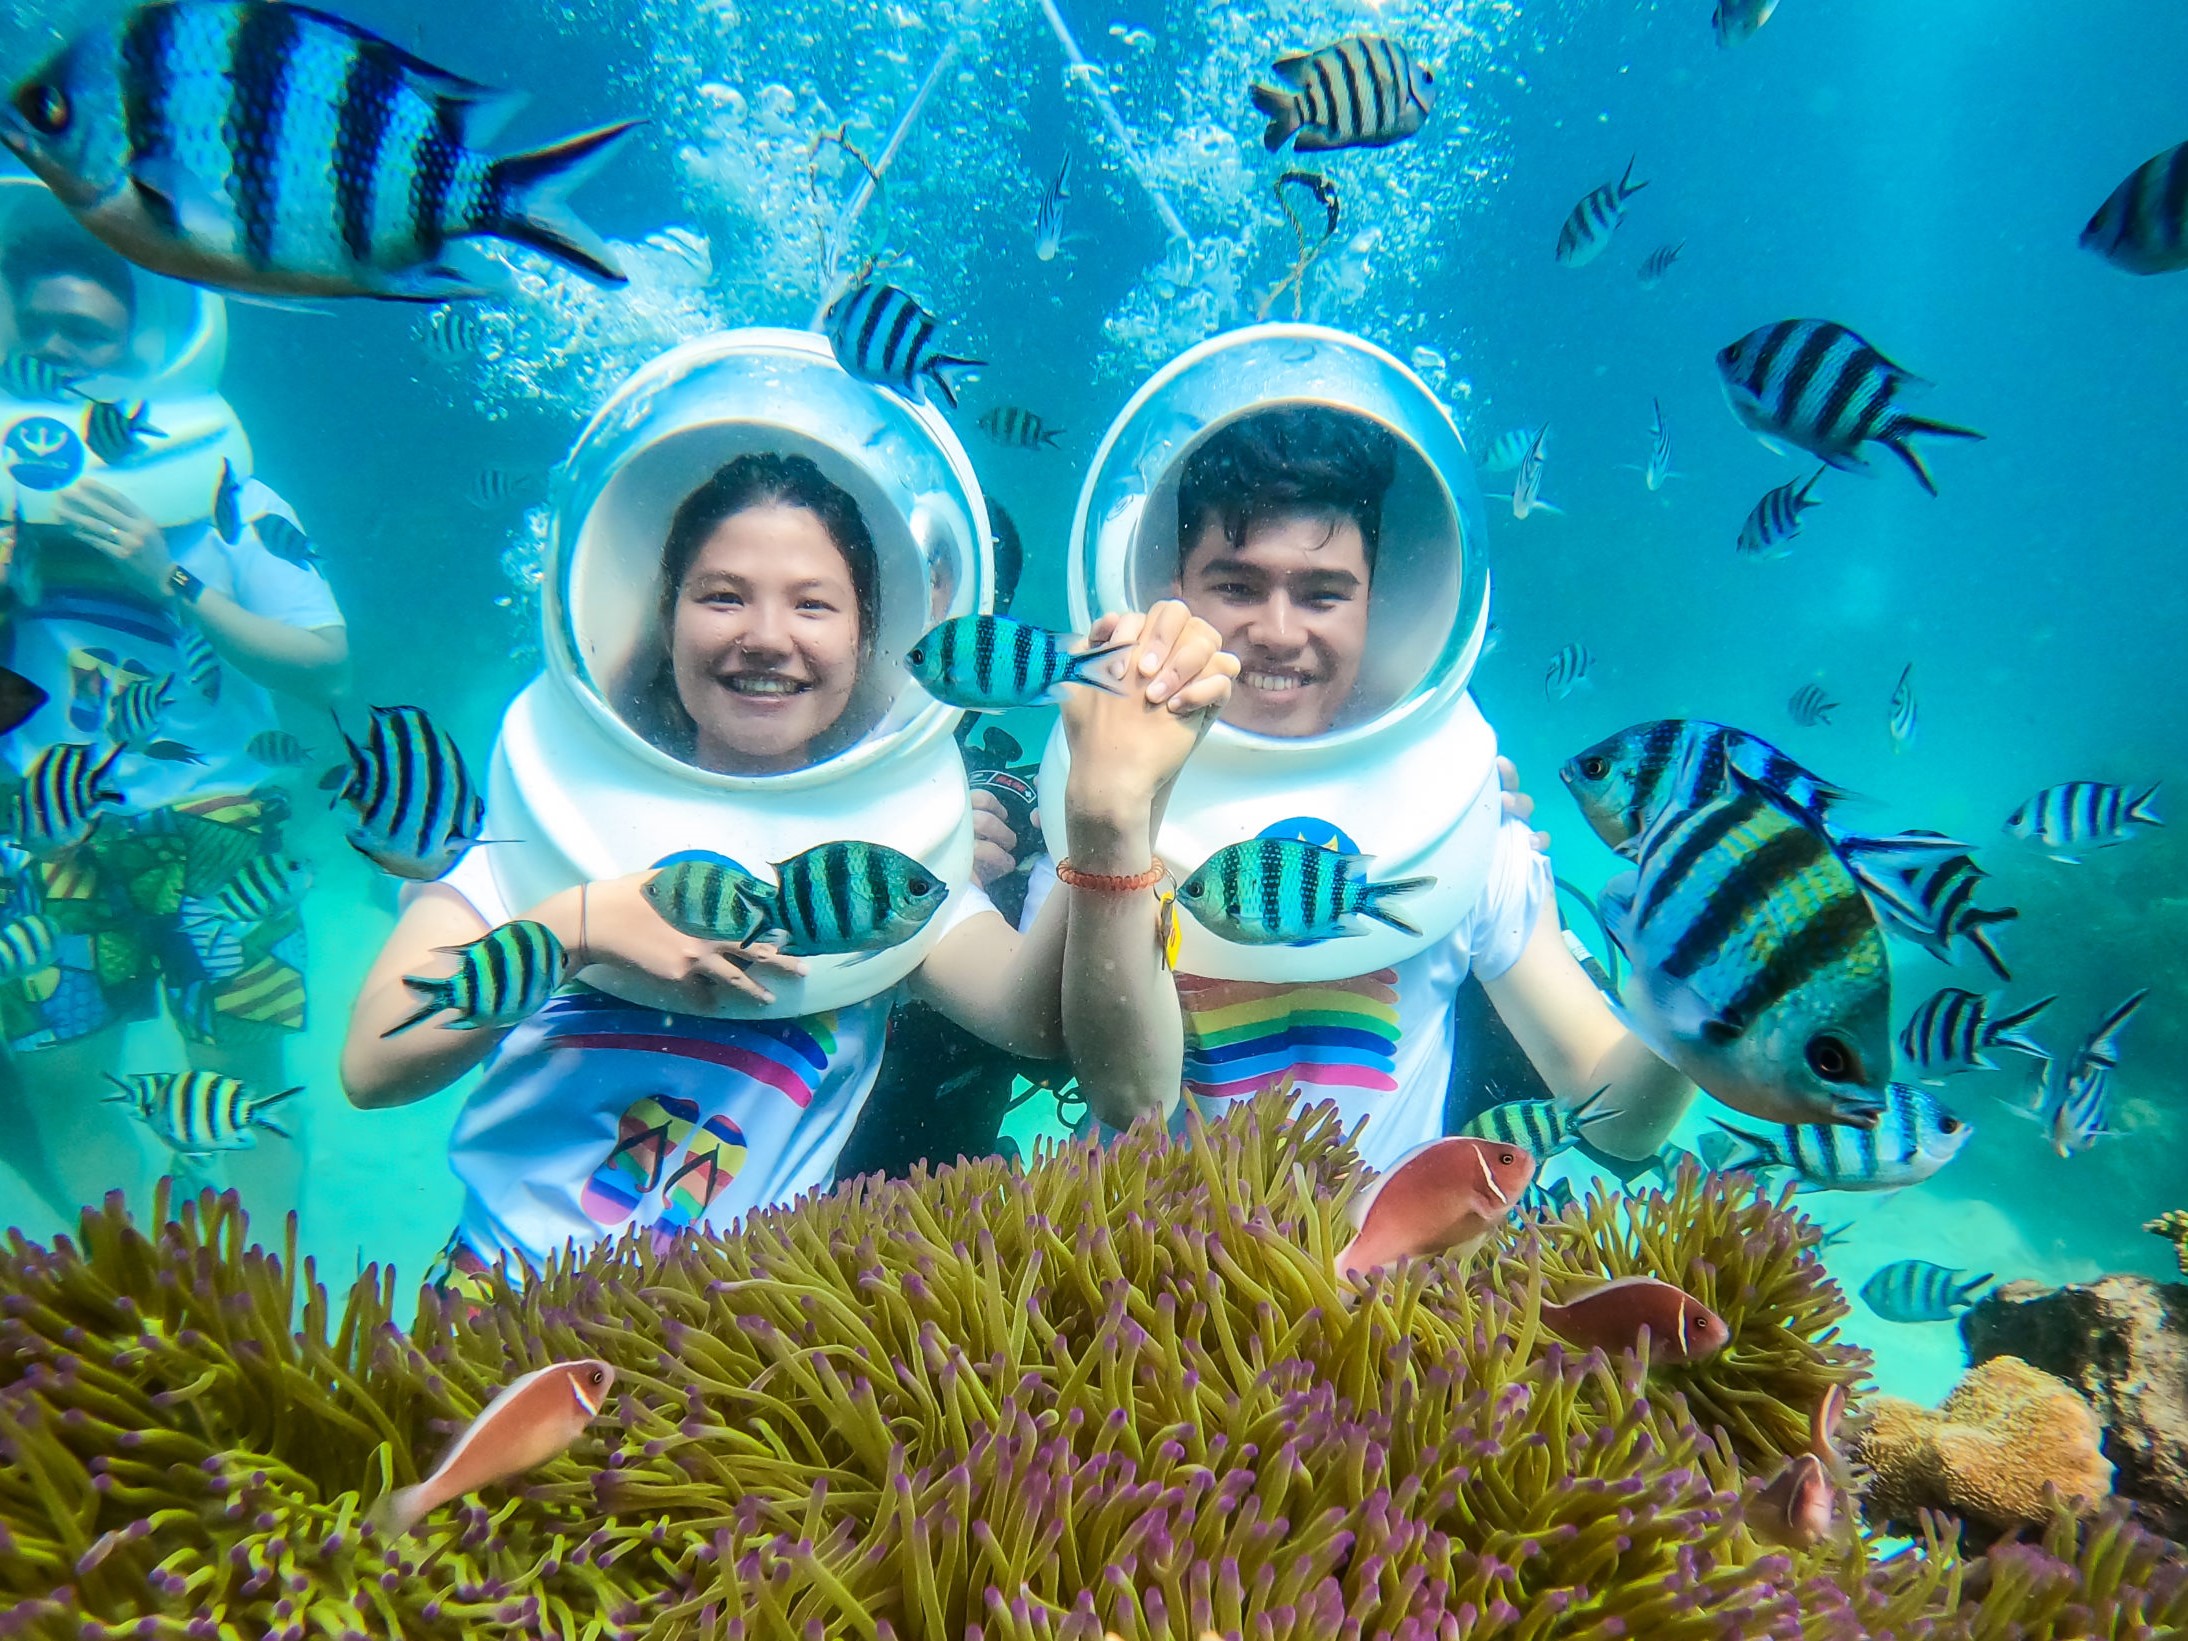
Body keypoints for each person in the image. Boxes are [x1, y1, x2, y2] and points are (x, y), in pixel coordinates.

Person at [339, 445, 1234, 1294]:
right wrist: (581, 928)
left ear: (869, 634)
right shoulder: (552, 818)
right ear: (664, 614)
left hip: (742, 1337)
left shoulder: (887, 850)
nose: (766, 636)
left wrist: (1111, 805)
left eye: (813, 605)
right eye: (723, 595)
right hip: (498, 1303)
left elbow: (1030, 1017)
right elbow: (372, 1062)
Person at [1045, 364, 1693, 1179]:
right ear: (1171, 589)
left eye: (1323, 594)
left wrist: (1696, 980)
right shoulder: (1105, 785)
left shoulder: (1460, 804)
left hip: (1391, 1255)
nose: (1279, 631)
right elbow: (1128, 1095)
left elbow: (1618, 1114)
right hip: (1151, 1252)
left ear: (1377, 600)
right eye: (1236, 584)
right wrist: (1108, 817)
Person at [0, 209, 348, 1228]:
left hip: (216, 823)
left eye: (86, 331)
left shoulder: (234, 495)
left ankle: (260, 1307)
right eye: (38, 328)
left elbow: (325, 665)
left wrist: (170, 574)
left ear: (141, 345)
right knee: (64, 1077)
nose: (59, 348)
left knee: (242, 1083)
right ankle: (144, 1299)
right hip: (46, 828)